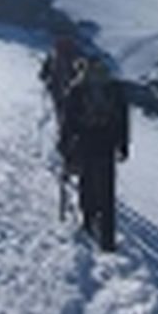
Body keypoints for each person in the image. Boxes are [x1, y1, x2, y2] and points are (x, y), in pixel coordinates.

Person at [60, 58, 129, 252]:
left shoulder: (77, 89)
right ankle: (108, 239)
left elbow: (68, 122)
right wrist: (122, 145)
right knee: (107, 191)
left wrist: (65, 147)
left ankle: (89, 221)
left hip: (85, 143)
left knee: (87, 183)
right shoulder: (114, 89)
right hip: (107, 145)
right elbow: (123, 118)